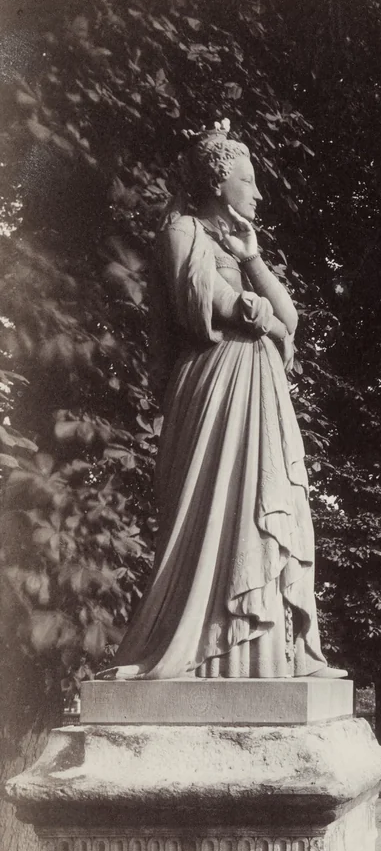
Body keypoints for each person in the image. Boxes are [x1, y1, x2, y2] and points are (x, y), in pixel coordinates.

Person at [102, 119, 342, 680]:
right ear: (216, 183)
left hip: (257, 387)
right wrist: (259, 316)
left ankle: (280, 656)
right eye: (247, 180)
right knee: (214, 512)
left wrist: (254, 260)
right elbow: (207, 302)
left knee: (267, 508)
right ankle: (205, 648)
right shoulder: (180, 230)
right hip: (215, 383)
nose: (257, 193)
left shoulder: (237, 244)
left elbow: (288, 318)